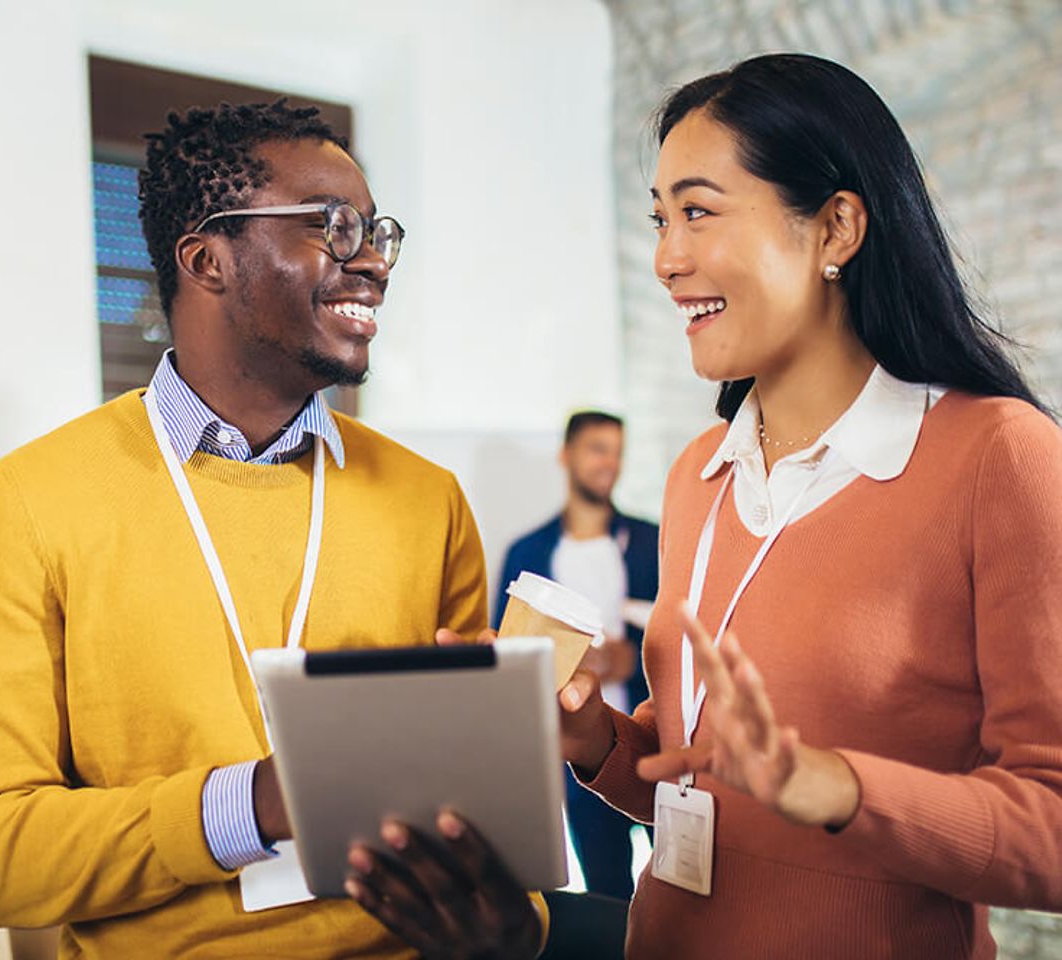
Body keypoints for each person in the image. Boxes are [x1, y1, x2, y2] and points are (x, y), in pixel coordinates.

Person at [347, 53, 1062, 960]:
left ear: (836, 226)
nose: (666, 258)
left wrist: (835, 787)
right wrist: (593, 734)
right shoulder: (699, 475)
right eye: (658, 220)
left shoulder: (998, 456)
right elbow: (697, 784)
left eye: (698, 211)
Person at [0, 101, 544, 958]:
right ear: (207, 259)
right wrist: (250, 805)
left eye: (378, 233)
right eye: (332, 227)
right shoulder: (31, 501)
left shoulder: (427, 500)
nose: (372, 263)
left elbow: (486, 821)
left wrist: (514, 924)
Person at [495, 410, 658, 900]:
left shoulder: (654, 542)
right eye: (596, 449)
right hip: (578, 752)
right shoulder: (528, 552)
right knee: (606, 892)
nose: (609, 462)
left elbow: (691, 629)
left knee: (681, 885)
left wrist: (641, 656)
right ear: (566, 456)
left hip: (656, 744)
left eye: (616, 451)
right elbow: (508, 655)